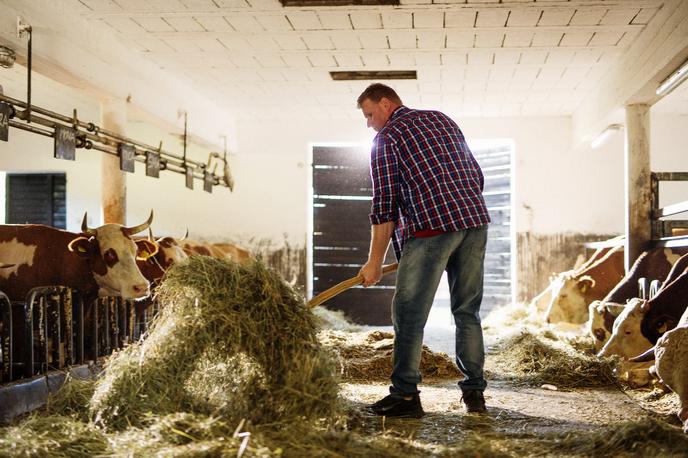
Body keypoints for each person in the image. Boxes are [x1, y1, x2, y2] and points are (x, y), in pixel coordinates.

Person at [356, 83, 491, 418]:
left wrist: (374, 262)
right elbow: (475, 173)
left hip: (431, 230)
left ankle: (404, 397)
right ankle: (475, 393)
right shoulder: (440, 119)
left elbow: (384, 205)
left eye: (370, 114)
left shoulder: (387, 139)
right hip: (474, 222)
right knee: (467, 311)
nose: (369, 123)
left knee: (409, 315)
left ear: (386, 104)